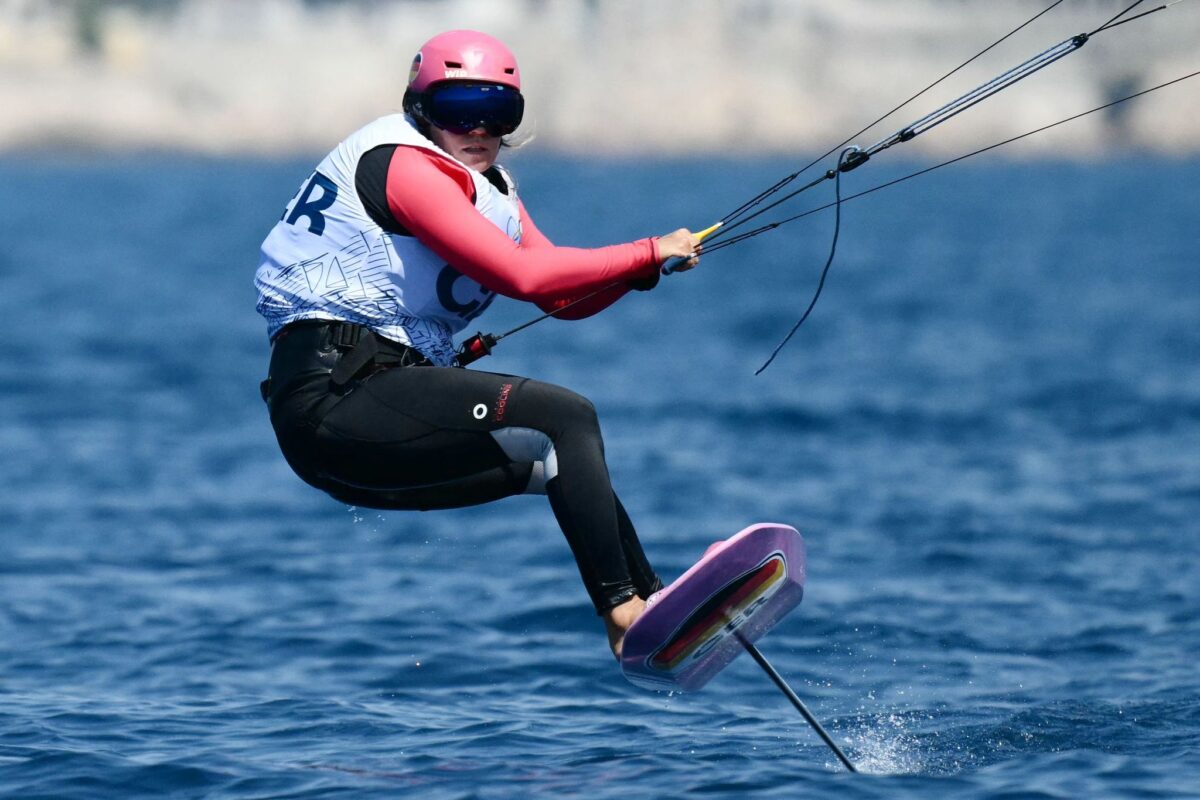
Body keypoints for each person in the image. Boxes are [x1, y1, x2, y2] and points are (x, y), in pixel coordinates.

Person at [254, 29, 700, 660]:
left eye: (498, 112)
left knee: (558, 459)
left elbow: (559, 299)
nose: (480, 128)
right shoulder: (406, 166)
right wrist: (646, 250)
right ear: (421, 109)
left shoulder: (494, 193)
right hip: (333, 396)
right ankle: (625, 614)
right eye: (460, 110)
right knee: (564, 415)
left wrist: (638, 274)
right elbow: (523, 276)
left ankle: (652, 611)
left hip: (369, 416)